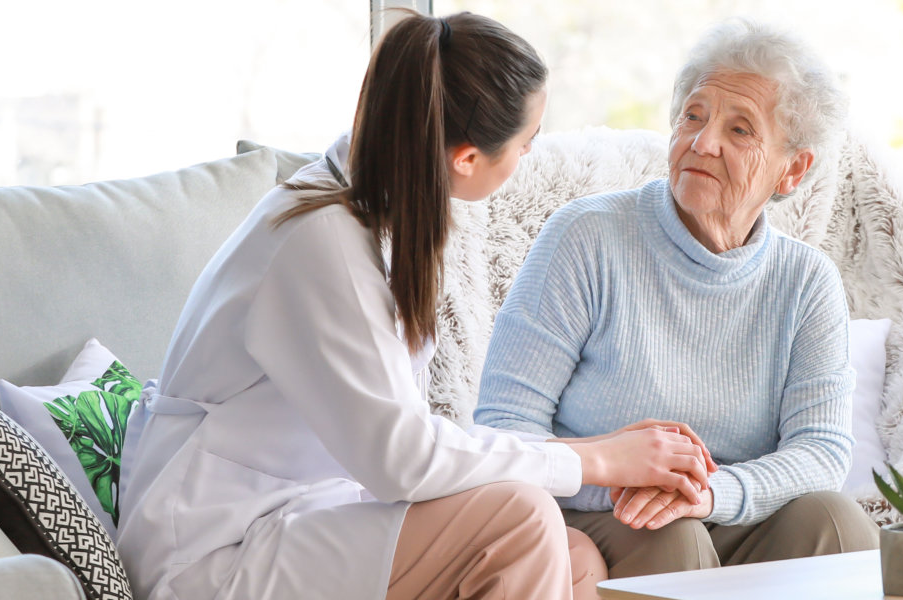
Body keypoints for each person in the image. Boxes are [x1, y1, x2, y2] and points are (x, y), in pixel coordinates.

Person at [115, 11, 714, 600]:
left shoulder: (376, 218)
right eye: (526, 143)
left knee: (576, 556)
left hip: (302, 512)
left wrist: (592, 456)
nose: (531, 154)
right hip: (212, 548)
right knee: (522, 522)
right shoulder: (319, 242)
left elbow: (404, 442)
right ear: (466, 159)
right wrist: (595, 459)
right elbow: (401, 459)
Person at [473, 18, 878, 580]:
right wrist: (624, 482)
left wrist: (709, 492)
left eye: (740, 130)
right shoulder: (586, 237)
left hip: (727, 510)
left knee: (839, 525)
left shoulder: (806, 280)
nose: (702, 142)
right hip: (599, 514)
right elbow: (502, 426)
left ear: (794, 169)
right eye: (693, 115)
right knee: (670, 541)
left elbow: (822, 452)